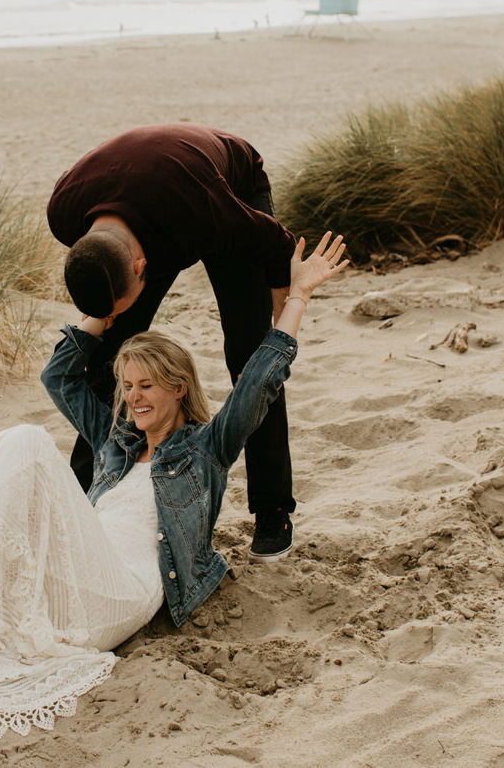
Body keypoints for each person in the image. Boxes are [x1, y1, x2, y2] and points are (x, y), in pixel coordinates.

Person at [0, 235, 346, 733]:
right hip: (75, 571)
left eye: (147, 385)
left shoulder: (207, 449)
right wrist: (104, 309)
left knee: (27, 445)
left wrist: (298, 296)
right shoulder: (116, 440)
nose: (133, 398)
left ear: (178, 387)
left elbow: (260, 382)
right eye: (127, 386)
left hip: (125, 588)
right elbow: (58, 375)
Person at [47, 121, 315, 555]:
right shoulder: (64, 214)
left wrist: (285, 315)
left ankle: (272, 510)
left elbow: (277, 249)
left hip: (224, 185)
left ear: (140, 267)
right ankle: (88, 489)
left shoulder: (207, 211)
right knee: (109, 359)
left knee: (249, 357)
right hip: (146, 202)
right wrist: (101, 323)